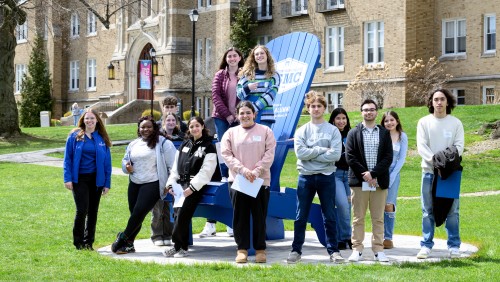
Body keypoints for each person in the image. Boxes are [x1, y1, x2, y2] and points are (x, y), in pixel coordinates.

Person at [286, 92, 343, 264]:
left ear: (324, 109)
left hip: (326, 177)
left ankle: (334, 251)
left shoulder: (333, 130)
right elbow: (300, 153)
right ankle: (296, 250)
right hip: (306, 177)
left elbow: (336, 155)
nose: (316, 109)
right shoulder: (302, 131)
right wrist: (321, 150)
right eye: (312, 106)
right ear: (308, 108)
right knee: (300, 215)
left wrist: (312, 153)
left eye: (319, 106)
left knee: (329, 214)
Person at [221, 101, 276, 263]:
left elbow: (269, 153)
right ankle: (242, 249)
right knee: (240, 216)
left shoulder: (266, 131)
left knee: (259, 216)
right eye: (242, 113)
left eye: (248, 112)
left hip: (260, 180)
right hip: (239, 180)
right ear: (237, 116)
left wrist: (257, 170)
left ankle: (260, 249)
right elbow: (226, 155)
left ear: (254, 114)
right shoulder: (230, 133)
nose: (245, 116)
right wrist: (243, 170)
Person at [111, 116, 176, 254]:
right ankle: (129, 244)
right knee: (135, 215)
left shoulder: (163, 143)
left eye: (149, 127)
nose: (145, 129)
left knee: (139, 212)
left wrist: (169, 184)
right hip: (135, 183)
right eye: (142, 127)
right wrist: (126, 166)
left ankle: (122, 238)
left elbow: (174, 166)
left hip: (153, 183)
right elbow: (125, 160)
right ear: (138, 129)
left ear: (154, 128)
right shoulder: (134, 144)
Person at [198, 47, 244, 238]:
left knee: (238, 150)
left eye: (235, 55)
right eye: (229, 56)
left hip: (241, 116)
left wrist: (238, 115)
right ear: (225, 59)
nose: (232, 58)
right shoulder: (220, 75)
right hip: (222, 118)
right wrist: (228, 115)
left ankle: (236, 175)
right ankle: (225, 176)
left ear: (240, 58)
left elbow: (247, 96)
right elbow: (215, 96)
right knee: (224, 151)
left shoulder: (244, 74)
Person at [416, 89, 464, 259]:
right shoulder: (424, 122)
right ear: (431, 102)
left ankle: (454, 245)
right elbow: (422, 147)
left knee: (452, 211)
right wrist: (436, 163)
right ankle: (426, 245)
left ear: (448, 102)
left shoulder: (456, 123)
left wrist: (445, 164)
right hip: (429, 173)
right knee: (427, 210)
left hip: (450, 174)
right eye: (435, 99)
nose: (439, 102)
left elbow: (458, 147)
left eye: (442, 99)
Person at [163, 116, 218, 258]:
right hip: (180, 187)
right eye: (191, 126)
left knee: (182, 215)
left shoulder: (209, 146)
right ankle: (180, 246)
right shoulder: (184, 145)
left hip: (195, 187)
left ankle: (179, 246)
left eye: (197, 126)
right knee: (177, 214)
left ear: (203, 127)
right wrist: (170, 184)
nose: (194, 129)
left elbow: (206, 171)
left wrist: (192, 188)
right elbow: (175, 167)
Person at [345, 99, 393, 263]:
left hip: (378, 182)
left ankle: (378, 250)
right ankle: (357, 249)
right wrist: (365, 174)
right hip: (359, 182)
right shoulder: (353, 132)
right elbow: (350, 156)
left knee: (378, 218)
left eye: (372, 110)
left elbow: (388, 157)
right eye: (366, 110)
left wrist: (373, 174)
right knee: (358, 217)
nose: (369, 112)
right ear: (361, 112)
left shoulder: (384, 133)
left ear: (376, 112)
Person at [63, 108, 112, 250]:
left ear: (97, 120)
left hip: (97, 179)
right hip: (79, 179)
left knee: (93, 212)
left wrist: (107, 183)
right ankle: (78, 242)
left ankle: (88, 242)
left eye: (92, 118)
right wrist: (68, 178)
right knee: (82, 210)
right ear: (82, 120)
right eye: (87, 118)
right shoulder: (74, 136)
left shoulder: (101, 138)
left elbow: (107, 163)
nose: (89, 121)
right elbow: (68, 159)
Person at [380, 111, 408, 249]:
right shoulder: (380, 135)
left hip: (394, 173)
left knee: (389, 204)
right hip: (380, 173)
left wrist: (392, 176)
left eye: (392, 120)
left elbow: (401, 159)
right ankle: (377, 236)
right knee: (377, 205)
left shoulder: (402, 137)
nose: (389, 123)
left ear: (397, 121)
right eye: (386, 121)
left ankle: (388, 238)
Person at [237, 45, 280, 128]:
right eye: (256, 54)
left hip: (265, 116)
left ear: (267, 55)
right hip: (248, 117)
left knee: (263, 140)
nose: (259, 56)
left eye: (262, 53)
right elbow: (239, 94)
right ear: (253, 57)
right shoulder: (246, 74)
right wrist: (247, 88)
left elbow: (271, 95)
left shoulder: (274, 75)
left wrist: (253, 108)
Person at [328, 108, 353, 251]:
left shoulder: (350, 134)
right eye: (338, 118)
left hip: (349, 174)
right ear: (333, 120)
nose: (341, 121)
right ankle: (346, 236)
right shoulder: (330, 134)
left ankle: (342, 239)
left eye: (344, 118)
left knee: (348, 208)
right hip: (335, 174)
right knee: (342, 205)